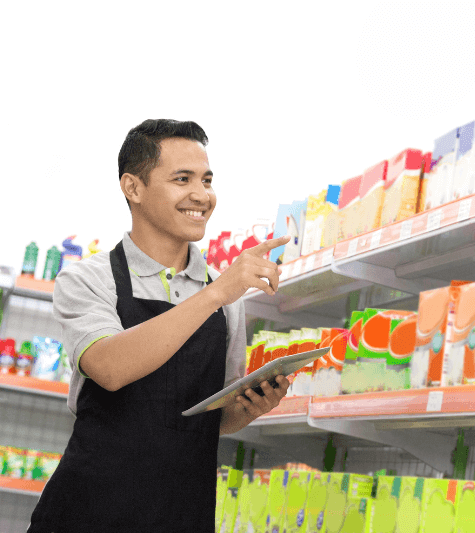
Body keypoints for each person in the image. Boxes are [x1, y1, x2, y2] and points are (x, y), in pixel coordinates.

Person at [28, 119, 291, 532]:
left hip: (183, 515)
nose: (201, 196)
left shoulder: (225, 297)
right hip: (88, 512)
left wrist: (247, 409)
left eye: (207, 180)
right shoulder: (88, 280)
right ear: (133, 188)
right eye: (182, 179)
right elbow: (110, 368)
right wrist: (215, 294)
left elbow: (210, 418)